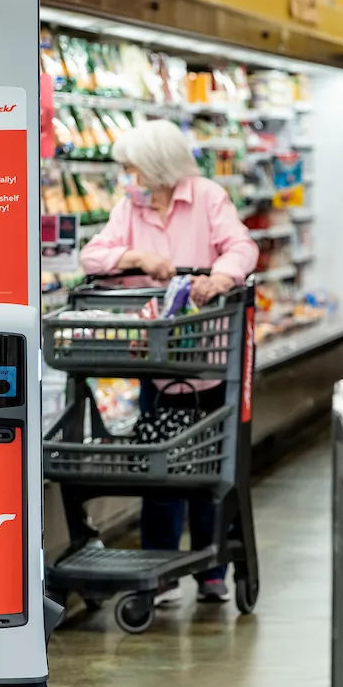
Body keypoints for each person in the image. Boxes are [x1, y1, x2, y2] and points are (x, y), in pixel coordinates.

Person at [80, 120, 259, 606]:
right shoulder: (131, 207)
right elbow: (92, 258)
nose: (127, 176)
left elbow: (243, 247)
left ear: (156, 166)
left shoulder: (206, 197)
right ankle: (160, 568)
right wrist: (136, 257)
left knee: (208, 466)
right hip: (155, 357)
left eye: (132, 167)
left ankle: (211, 567)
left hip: (209, 356)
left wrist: (218, 279)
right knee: (159, 466)